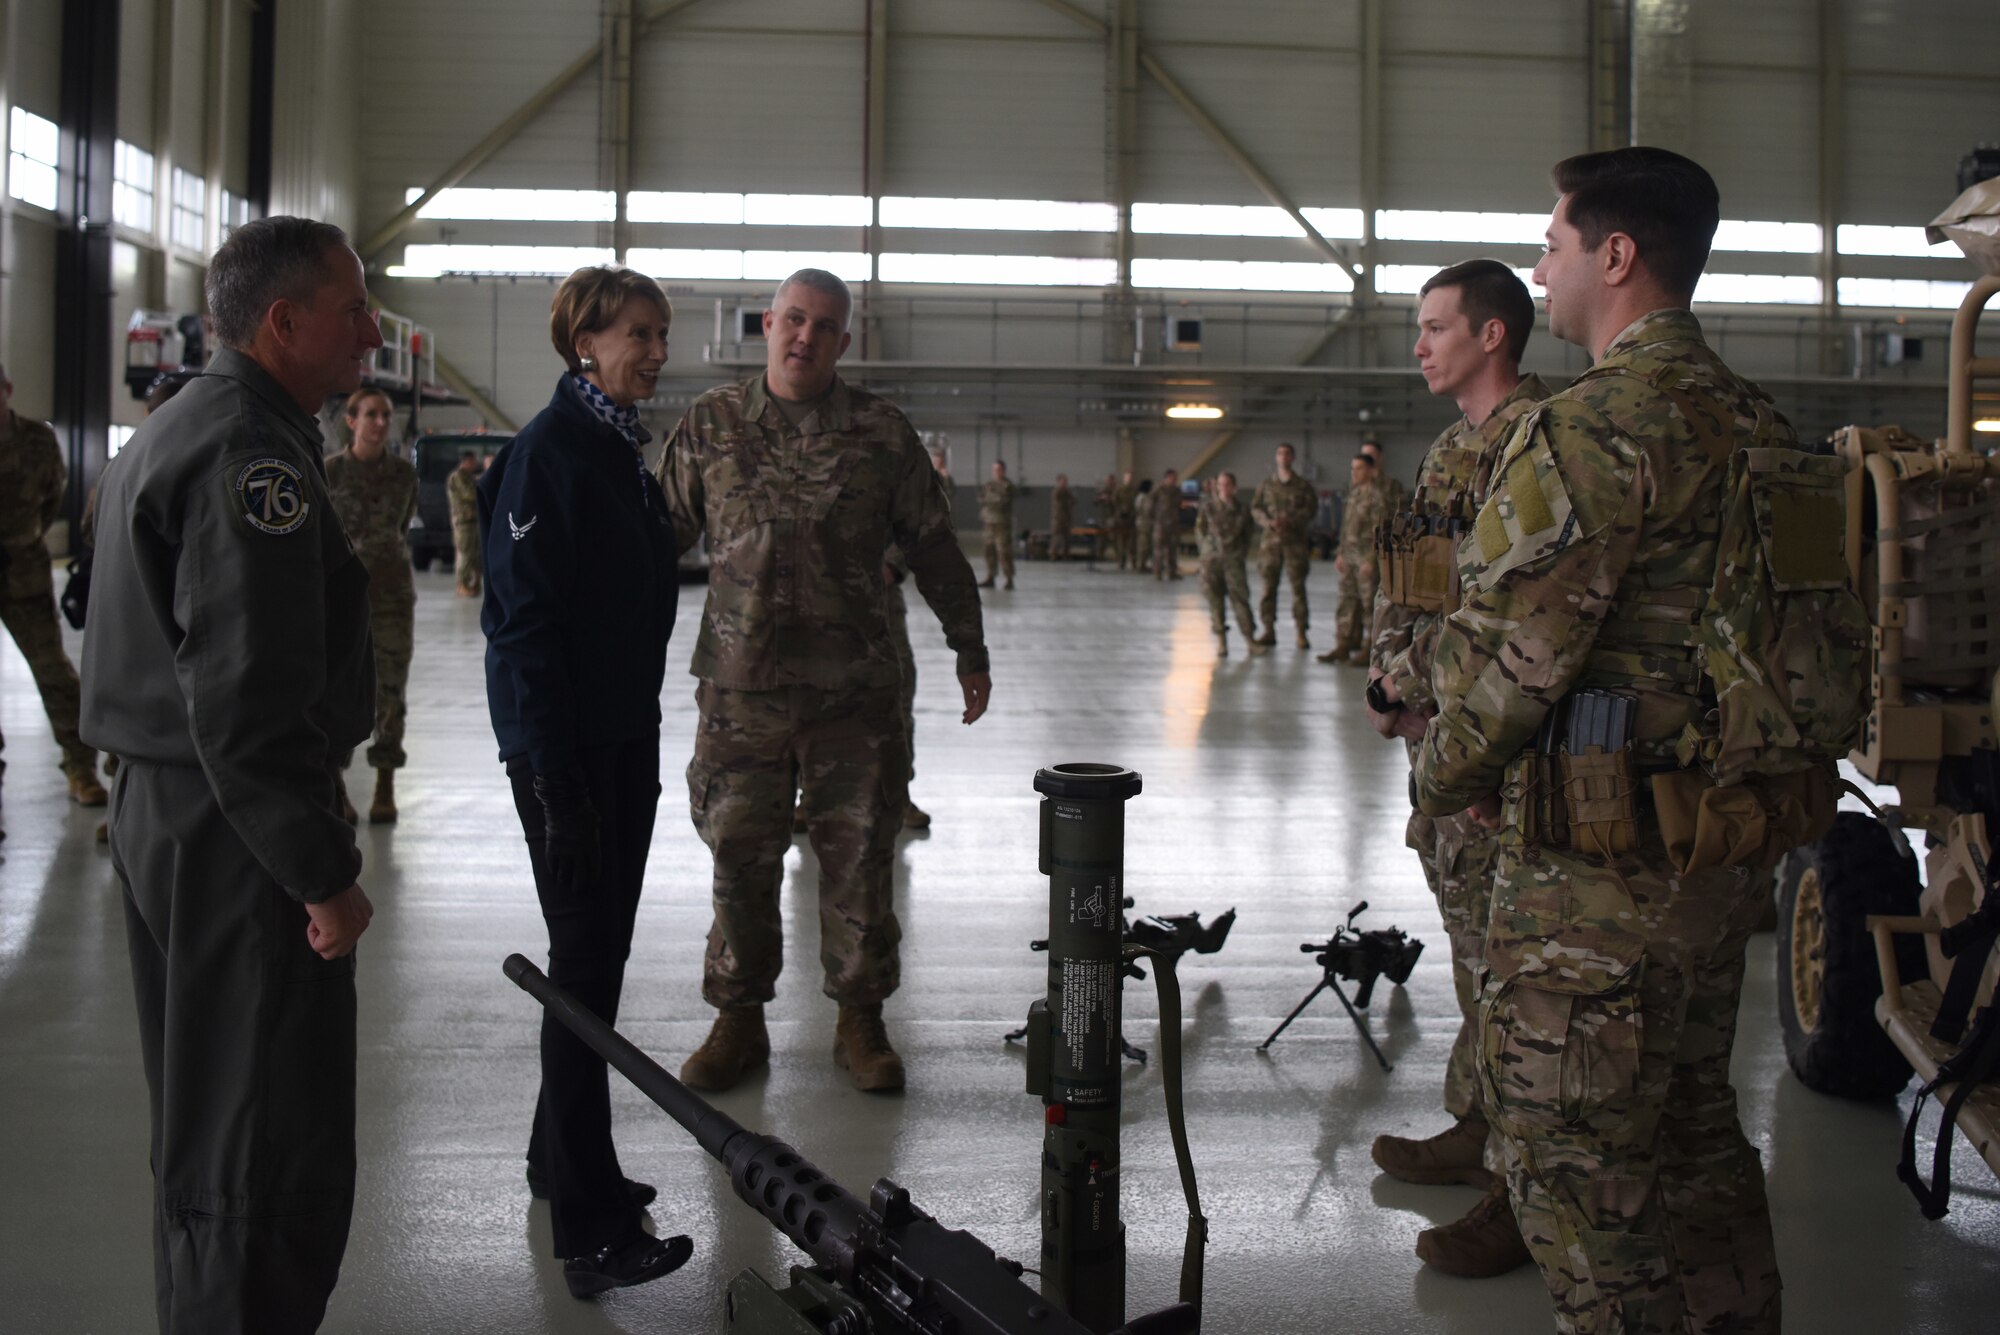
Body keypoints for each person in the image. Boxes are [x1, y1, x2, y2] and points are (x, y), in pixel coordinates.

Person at [1414, 147, 1788, 1333]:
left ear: (1614, 257)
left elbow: (1511, 659)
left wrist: (1443, 781)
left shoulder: (1590, 429)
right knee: (1691, 1133)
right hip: (1719, 852)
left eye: (1553, 245)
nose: (1540, 266)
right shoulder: (1766, 429)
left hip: (1592, 881)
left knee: (1569, 1160)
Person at [80, 216, 381, 1334]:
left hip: (173, 809)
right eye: (349, 309)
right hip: (232, 829)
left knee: (208, 1118)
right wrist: (321, 871)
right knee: (258, 1134)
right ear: (281, 321)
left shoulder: (177, 429)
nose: (368, 331)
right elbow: (249, 702)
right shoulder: (249, 455)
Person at [658, 268, 989, 1096]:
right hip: (741, 693)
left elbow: (934, 545)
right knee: (740, 853)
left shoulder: (881, 432)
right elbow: (650, 539)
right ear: (766, 324)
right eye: (794, 319)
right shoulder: (711, 425)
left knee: (859, 854)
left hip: (852, 694)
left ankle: (860, 1017)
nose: (806, 335)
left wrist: (968, 648)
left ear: (845, 341)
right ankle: (739, 1018)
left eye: (826, 325)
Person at [480, 265, 690, 1298]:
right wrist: (552, 780)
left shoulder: (616, 448)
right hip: (568, 755)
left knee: (593, 962)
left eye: (661, 333)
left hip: (621, 740)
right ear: (584, 343)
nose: (657, 351)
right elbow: (519, 631)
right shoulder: (550, 455)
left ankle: (553, 1161)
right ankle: (591, 1228)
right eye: (638, 336)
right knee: (583, 975)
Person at [1360, 259, 1551, 1277]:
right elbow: (1418, 591)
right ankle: (1479, 1132)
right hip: (1436, 746)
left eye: (1435, 327)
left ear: (1490, 335)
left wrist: (1437, 708)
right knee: (1472, 956)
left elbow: (1515, 625)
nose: (1419, 344)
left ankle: (1527, 1193)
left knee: (1515, 975)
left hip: (1494, 760)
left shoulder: (1541, 447)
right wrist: (1389, 684)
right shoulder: (1447, 454)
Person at [0, 359, 105, 809]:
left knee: (53, 673)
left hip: (23, 574)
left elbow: (50, 502)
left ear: (7, 387)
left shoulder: (36, 440)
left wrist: (19, 539)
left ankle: (81, 768)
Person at [325, 388, 419, 824]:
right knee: (335, 690)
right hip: (340, 599)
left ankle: (385, 784)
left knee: (391, 690)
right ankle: (337, 788)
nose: (381, 423)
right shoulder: (329, 473)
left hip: (392, 597)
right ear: (351, 421)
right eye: (371, 415)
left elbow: (400, 527)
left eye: (386, 415)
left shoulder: (404, 475)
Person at [1251, 442, 1318, 649]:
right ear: (1276, 457)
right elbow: (1255, 508)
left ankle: (1301, 632)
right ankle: (1268, 630)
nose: (1283, 457)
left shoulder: (1302, 486)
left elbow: (1311, 510)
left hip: (1294, 545)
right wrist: (1267, 522)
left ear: (1293, 458)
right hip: (1270, 545)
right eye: (1280, 453)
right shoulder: (1267, 485)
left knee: (1298, 590)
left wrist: (1292, 521)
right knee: (1268, 589)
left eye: (1287, 454)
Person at [1194, 471, 1264, 657]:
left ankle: (1250, 640)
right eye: (1220, 485)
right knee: (1215, 601)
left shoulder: (1242, 510)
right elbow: (1200, 532)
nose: (1223, 488)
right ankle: (1221, 642)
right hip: (1212, 563)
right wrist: (1207, 553)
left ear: (1234, 488)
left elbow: (1248, 535)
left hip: (1233, 561)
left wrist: (1239, 553)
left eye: (1226, 484)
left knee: (1240, 600)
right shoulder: (1208, 508)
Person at [1327, 451, 1387, 661]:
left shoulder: (1376, 497)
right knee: (1346, 600)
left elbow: (1378, 530)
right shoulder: (1354, 495)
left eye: (1359, 468)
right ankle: (1343, 643)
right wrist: (1340, 553)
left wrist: (1371, 559)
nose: (1355, 472)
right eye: (1353, 468)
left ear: (1371, 470)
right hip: (1349, 557)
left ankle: (1368, 648)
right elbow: (1346, 528)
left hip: (1364, 558)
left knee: (1368, 603)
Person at [978, 458, 1019, 589]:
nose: (996, 472)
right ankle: (990, 576)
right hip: (989, 522)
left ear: (1003, 470)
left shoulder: (1008, 485)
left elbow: (1002, 502)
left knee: (1004, 551)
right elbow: (981, 498)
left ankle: (1009, 579)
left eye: (998, 469)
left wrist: (990, 499)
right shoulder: (989, 484)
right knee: (989, 550)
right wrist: (992, 499)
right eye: (994, 469)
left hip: (1002, 523)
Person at [447, 449, 482, 596]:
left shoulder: (469, 477)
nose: (475, 464)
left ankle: (472, 583)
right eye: (472, 461)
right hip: (463, 522)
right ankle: (462, 584)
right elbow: (470, 494)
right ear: (466, 461)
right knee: (465, 553)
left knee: (474, 554)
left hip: (472, 520)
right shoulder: (458, 477)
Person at [1149, 468, 1183, 580]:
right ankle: (1157, 573)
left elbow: (1178, 505)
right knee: (1159, 550)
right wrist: (1153, 518)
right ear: (1166, 478)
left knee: (1172, 549)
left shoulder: (1177, 491)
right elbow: (1149, 504)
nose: (1174, 480)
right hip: (1160, 524)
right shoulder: (1158, 490)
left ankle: (1171, 572)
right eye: (1172, 478)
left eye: (1175, 478)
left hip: (1173, 524)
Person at [1113, 469, 1141, 570]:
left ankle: (1133, 561)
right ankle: (1121, 561)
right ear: (1124, 478)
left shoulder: (1135, 490)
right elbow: (1115, 502)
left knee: (1132, 542)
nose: (1129, 479)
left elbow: (1137, 503)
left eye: (1130, 477)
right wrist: (1119, 512)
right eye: (1127, 477)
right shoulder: (1119, 490)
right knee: (1121, 541)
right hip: (1121, 519)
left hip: (1131, 518)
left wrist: (1133, 513)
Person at [1049, 472, 1074, 561]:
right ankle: (1053, 554)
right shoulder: (1056, 491)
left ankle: (1065, 555)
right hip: (1058, 519)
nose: (1064, 483)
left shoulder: (1068, 491)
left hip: (1066, 518)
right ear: (1059, 482)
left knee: (1066, 538)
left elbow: (1074, 500)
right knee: (1056, 538)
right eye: (1063, 481)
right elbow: (1058, 498)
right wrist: (1063, 489)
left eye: (1065, 481)